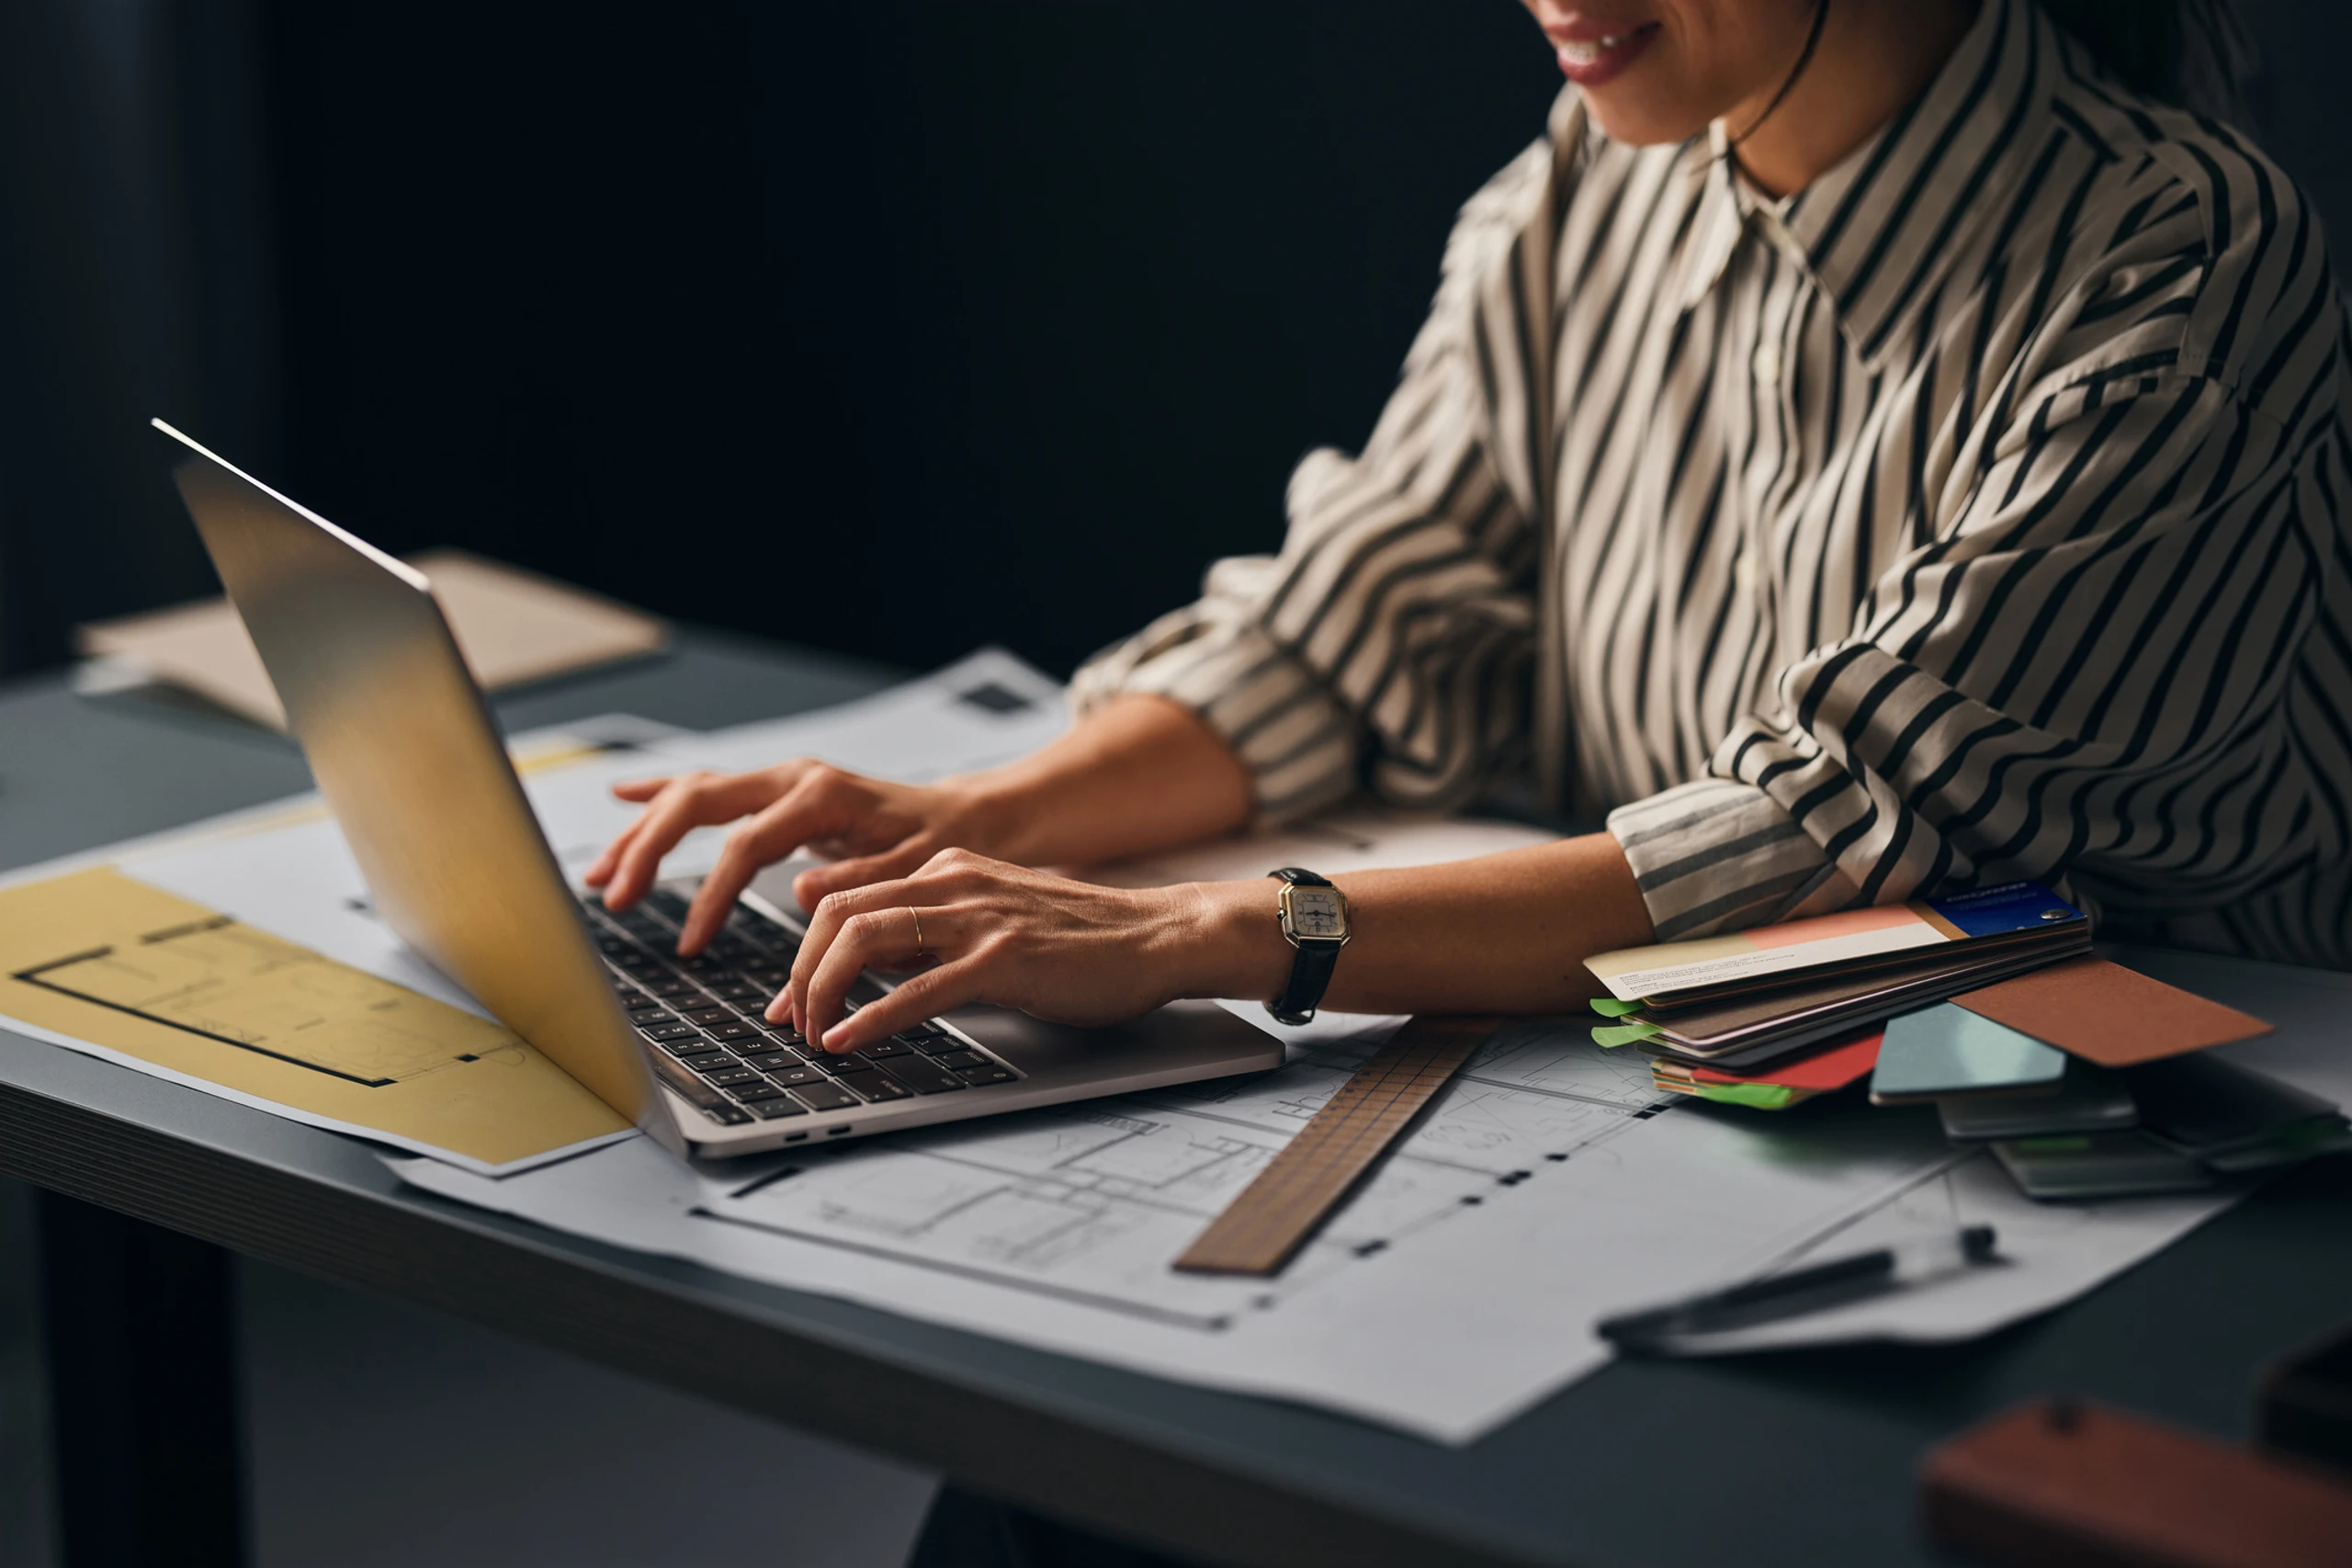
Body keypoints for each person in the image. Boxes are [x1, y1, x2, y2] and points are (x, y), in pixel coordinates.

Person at [592, 0, 2345, 1557]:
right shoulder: (1602, 174)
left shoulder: (2178, 252)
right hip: (1706, 1096)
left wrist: (1211, 929)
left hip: (2154, 1194)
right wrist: (989, 817)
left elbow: (1842, 825)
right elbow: (1358, 616)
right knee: (1073, 1469)